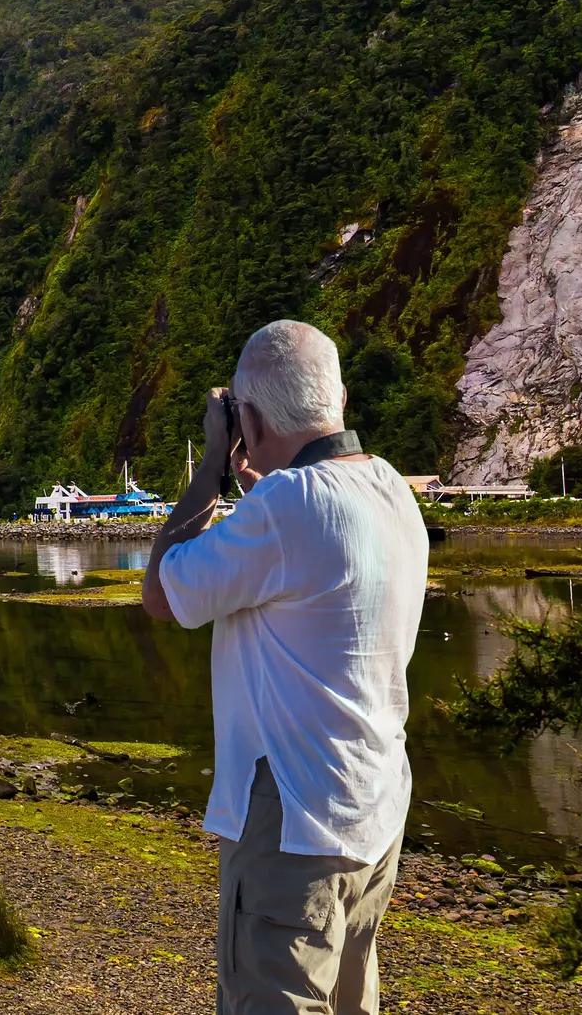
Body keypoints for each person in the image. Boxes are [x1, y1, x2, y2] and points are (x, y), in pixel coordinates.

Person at [138, 320, 430, 1015]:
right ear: (338, 395)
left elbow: (162, 591)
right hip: (374, 805)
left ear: (251, 417)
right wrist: (261, 467)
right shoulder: (391, 490)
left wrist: (210, 467)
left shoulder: (286, 506)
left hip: (293, 820)